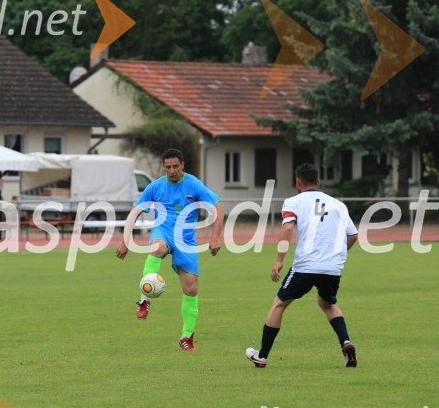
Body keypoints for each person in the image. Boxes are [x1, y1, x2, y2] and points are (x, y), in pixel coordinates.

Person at [245, 163, 359, 369]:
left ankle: (261, 356)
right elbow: (353, 235)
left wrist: (279, 260)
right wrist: (336, 255)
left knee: (279, 304)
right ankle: (346, 342)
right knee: (327, 303)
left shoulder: (293, 202)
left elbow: (288, 228)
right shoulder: (338, 204)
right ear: (318, 182)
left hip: (305, 266)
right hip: (332, 268)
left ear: (298, 182)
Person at [115, 149, 223, 352]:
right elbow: (135, 212)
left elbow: (218, 209)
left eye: (175, 166)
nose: (172, 170)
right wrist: (124, 241)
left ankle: (186, 336)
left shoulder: (193, 184)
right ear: (164, 167)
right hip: (163, 231)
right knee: (157, 247)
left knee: (191, 288)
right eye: (168, 167)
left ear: (182, 165)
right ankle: (144, 299)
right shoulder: (155, 187)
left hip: (186, 240)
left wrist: (215, 237)